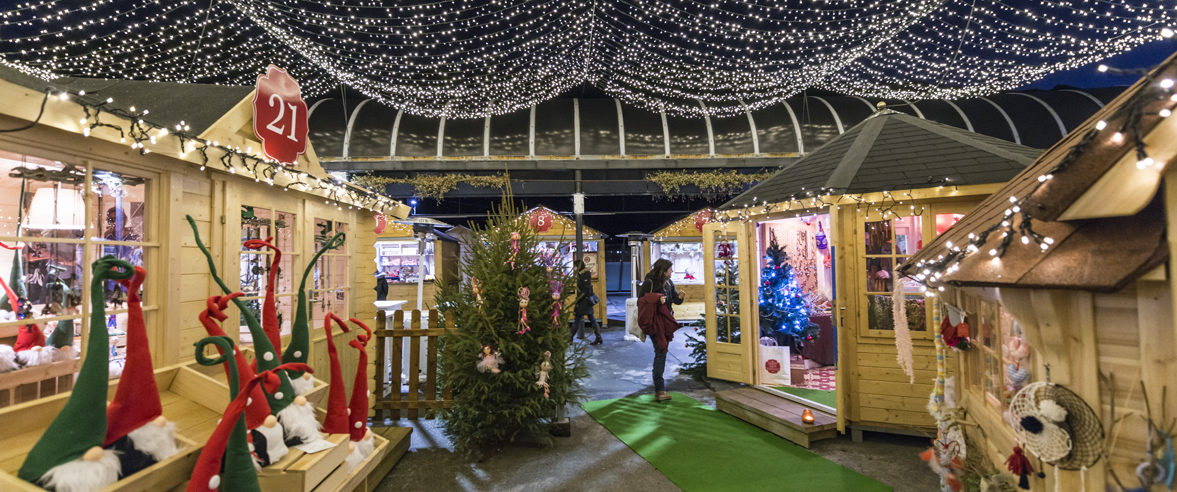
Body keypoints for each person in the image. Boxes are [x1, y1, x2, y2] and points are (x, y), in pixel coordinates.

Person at [637, 258, 685, 401]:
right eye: (670, 269)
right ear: (664, 271)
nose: (672, 271)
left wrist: (681, 298)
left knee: (661, 351)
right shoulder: (650, 282)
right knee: (661, 351)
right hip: (654, 321)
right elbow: (641, 300)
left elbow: (674, 300)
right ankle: (659, 389)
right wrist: (657, 300)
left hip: (666, 321)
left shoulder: (669, 283)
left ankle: (656, 379)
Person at [572, 260, 602, 345]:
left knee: (578, 318)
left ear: (578, 267)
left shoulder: (584, 275)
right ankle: (599, 337)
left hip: (583, 301)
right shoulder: (582, 275)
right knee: (590, 318)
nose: (573, 268)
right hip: (585, 301)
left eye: (574, 266)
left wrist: (579, 298)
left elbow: (586, 289)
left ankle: (570, 338)